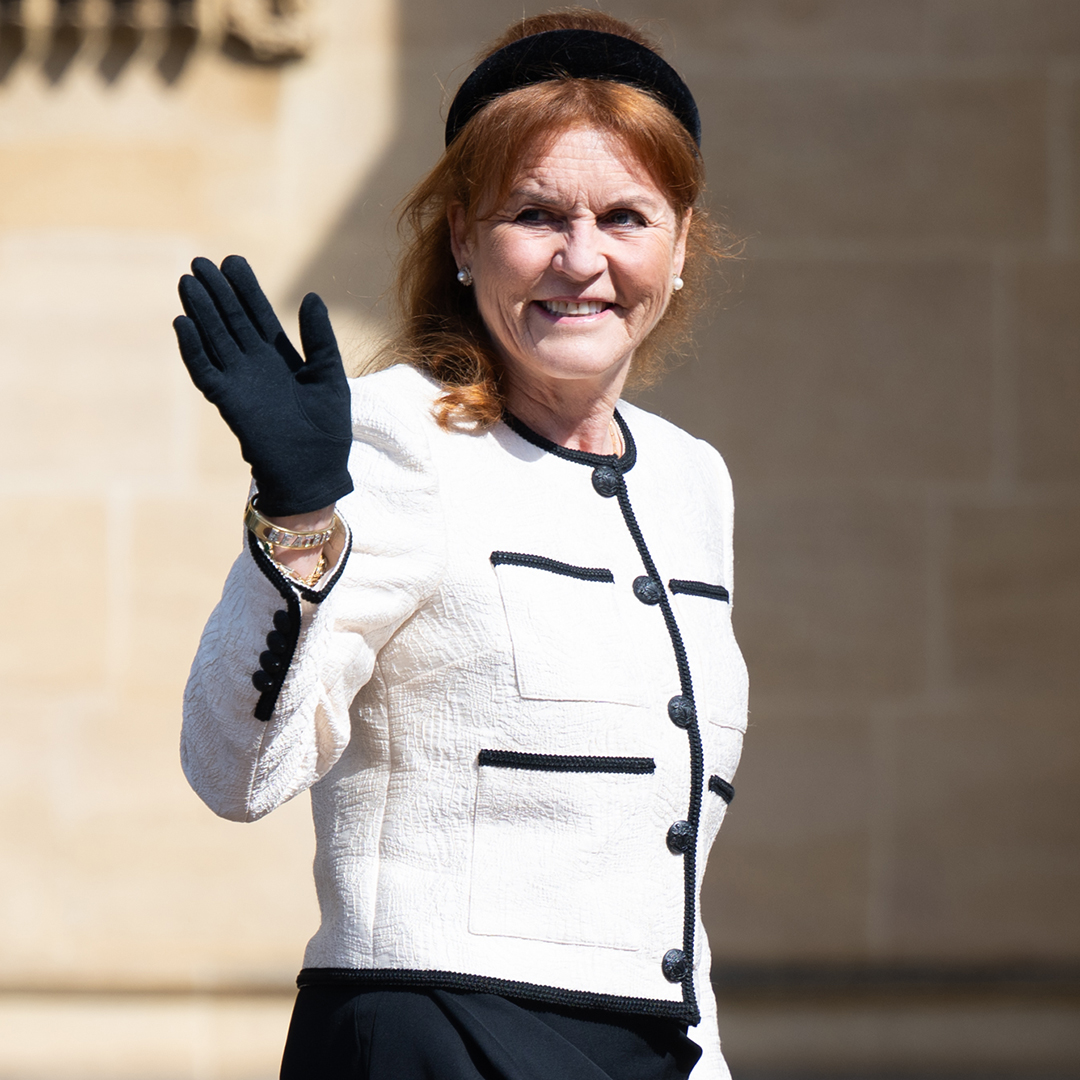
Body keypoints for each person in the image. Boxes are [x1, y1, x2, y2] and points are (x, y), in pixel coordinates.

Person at [174, 9, 748, 1079]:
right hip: (435, 1035)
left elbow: (663, 866)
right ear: (462, 237)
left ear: (679, 246)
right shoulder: (395, 437)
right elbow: (234, 771)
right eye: (535, 214)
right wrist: (299, 514)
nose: (582, 261)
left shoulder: (691, 481)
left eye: (626, 217)